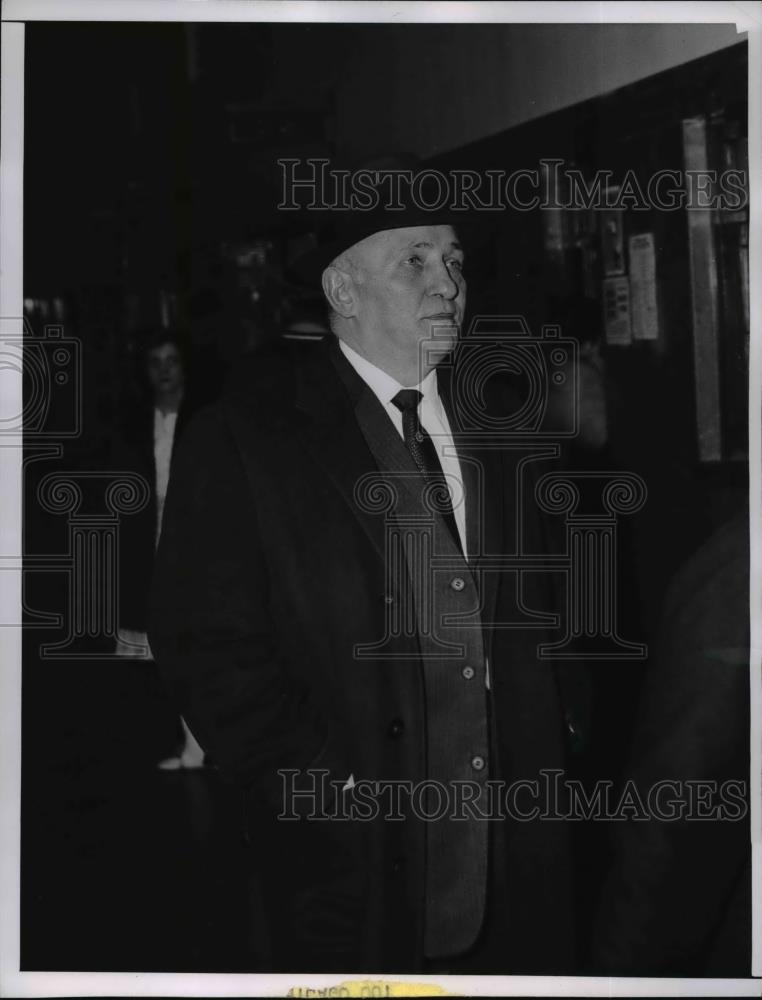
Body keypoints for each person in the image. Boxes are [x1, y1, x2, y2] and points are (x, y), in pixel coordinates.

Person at [149, 204, 588, 972]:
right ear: (342, 290)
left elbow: (558, 611)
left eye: (453, 261)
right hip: (359, 865)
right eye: (414, 262)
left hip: (520, 858)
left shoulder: (509, 424)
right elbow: (206, 647)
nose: (447, 284)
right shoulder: (249, 438)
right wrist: (321, 787)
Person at [112, 329, 205, 770]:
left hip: (200, 547)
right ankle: (182, 743)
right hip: (147, 546)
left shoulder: (207, 416)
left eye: (172, 360)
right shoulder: (133, 422)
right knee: (157, 652)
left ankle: (208, 745)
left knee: (204, 647)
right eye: (156, 362)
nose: (165, 370)